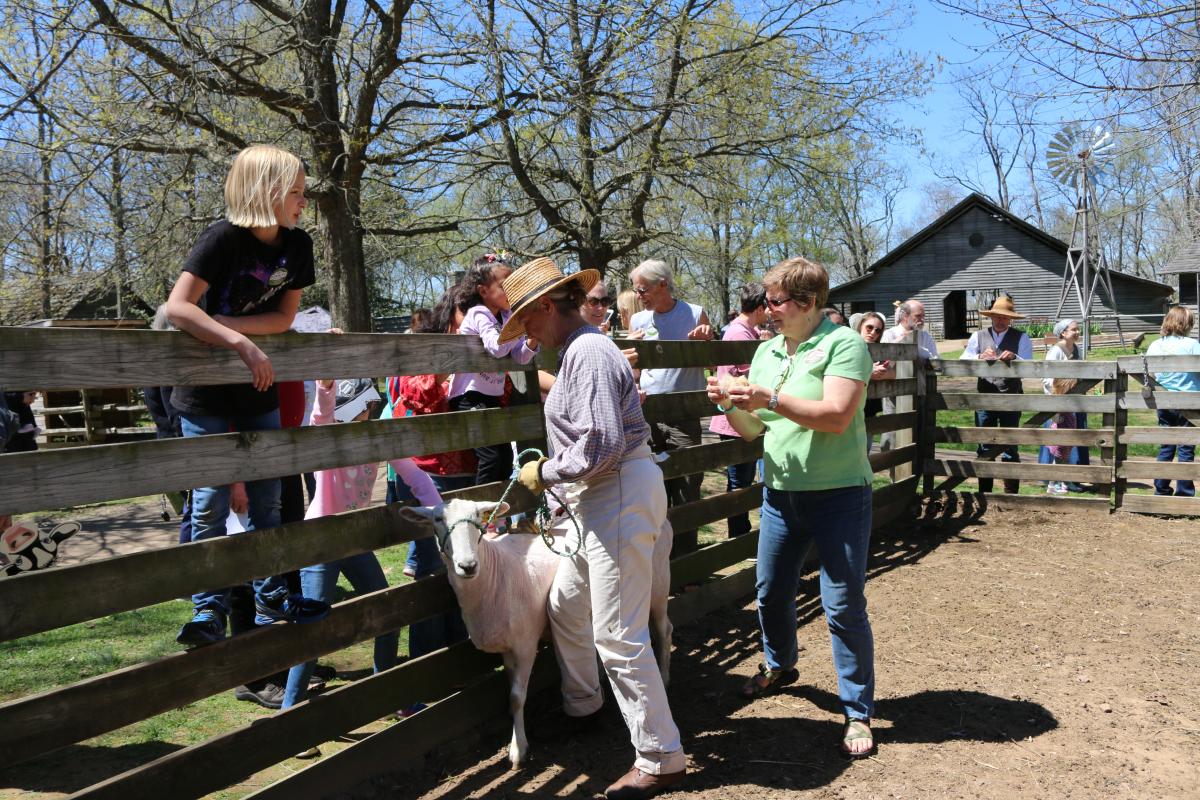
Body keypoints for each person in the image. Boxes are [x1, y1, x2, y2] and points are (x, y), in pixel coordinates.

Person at [500, 257, 686, 799]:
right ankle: (584, 705)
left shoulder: (588, 350)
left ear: (542, 307)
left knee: (618, 634)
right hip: (602, 495)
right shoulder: (584, 352)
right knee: (565, 603)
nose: (526, 331)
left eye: (525, 320)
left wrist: (545, 472)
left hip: (617, 489)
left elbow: (601, 444)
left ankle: (661, 757)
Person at [706, 255, 876, 759]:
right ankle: (780, 665)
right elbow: (754, 431)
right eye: (766, 300)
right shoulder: (767, 352)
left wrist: (770, 398)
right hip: (780, 494)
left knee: (842, 604)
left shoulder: (844, 344)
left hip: (840, 495)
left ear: (807, 302)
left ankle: (857, 710)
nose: (767, 309)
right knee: (771, 591)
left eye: (775, 301)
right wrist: (730, 404)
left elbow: (837, 417)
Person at [165, 144, 328, 646]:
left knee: (270, 497)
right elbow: (177, 308)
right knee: (210, 500)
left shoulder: (297, 247)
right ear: (267, 192)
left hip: (257, 388)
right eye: (296, 192)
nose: (304, 202)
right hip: (205, 394)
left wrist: (233, 328)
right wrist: (238, 343)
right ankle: (208, 609)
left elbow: (283, 318)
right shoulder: (222, 239)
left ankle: (270, 593)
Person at [280, 378, 442, 735]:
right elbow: (320, 418)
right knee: (314, 630)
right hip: (321, 542)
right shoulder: (329, 440)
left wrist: (439, 511)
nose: (367, 410)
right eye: (362, 405)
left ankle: (387, 694)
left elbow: (415, 476)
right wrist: (325, 389)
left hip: (354, 542)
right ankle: (290, 720)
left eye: (368, 405)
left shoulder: (377, 437)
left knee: (388, 611)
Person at [628, 258, 713, 554]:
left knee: (688, 483)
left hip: (684, 413)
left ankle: (687, 560)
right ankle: (654, 557)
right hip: (647, 415)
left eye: (643, 290)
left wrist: (706, 341)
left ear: (663, 284)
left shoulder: (694, 313)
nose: (639, 297)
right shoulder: (638, 321)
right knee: (649, 487)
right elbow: (635, 373)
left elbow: (715, 363)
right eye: (636, 291)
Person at [447, 254, 538, 485]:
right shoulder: (479, 314)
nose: (511, 290)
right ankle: (482, 510)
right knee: (491, 457)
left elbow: (519, 356)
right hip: (468, 396)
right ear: (483, 291)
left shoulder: (507, 316)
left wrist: (532, 340)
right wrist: (518, 326)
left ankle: (497, 514)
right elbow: (497, 348)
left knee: (506, 458)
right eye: (504, 286)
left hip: (491, 397)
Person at [709, 283, 768, 537]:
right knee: (739, 481)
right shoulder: (739, 334)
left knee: (742, 479)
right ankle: (738, 536)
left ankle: (740, 535)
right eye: (769, 305)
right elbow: (752, 375)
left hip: (742, 417)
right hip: (734, 420)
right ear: (760, 307)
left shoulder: (747, 331)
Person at [960, 296, 1032, 494]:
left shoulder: (1021, 337)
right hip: (985, 397)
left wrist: (1014, 358)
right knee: (984, 444)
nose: (1001, 320)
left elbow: (1030, 365)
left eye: (1005, 317)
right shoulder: (978, 336)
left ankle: (1011, 494)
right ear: (991, 317)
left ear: (1011, 319)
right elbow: (963, 360)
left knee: (1010, 444)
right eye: (997, 316)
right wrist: (979, 357)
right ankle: (985, 493)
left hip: (1011, 397)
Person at [1145, 305, 1200, 497]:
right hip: (1189, 401)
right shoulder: (1193, 345)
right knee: (1186, 447)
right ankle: (1184, 491)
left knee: (1167, 445)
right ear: (1186, 324)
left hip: (1165, 401)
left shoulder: (1155, 345)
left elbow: (1149, 373)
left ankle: (1161, 488)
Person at [1038, 319, 1089, 489]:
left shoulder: (1077, 349)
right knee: (1057, 444)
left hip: (1076, 401)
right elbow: (1047, 379)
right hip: (1059, 403)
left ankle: (1071, 479)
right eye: (1074, 329)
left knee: (1074, 440)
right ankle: (1052, 480)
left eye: (1077, 329)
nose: (1077, 332)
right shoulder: (1055, 352)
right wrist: (1055, 405)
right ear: (1063, 332)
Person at [855, 311, 891, 450]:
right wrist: (869, 372)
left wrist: (882, 372)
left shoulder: (879, 351)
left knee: (865, 451)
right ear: (860, 326)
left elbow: (893, 372)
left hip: (869, 411)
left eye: (878, 330)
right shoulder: (847, 346)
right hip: (850, 410)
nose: (873, 332)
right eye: (869, 327)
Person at [1045, 378, 1078, 495]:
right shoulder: (1060, 405)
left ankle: (1064, 484)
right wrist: (1058, 416)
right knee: (1058, 461)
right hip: (1060, 437)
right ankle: (1051, 486)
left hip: (1068, 437)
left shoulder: (1068, 403)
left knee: (1065, 459)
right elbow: (1055, 418)